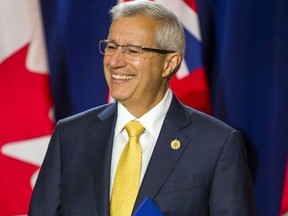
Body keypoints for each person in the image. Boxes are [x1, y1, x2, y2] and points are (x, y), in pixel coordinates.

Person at [29, 1, 257, 215]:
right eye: (112, 47)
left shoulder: (217, 144)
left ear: (169, 63)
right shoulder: (70, 135)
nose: (115, 61)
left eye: (132, 50)